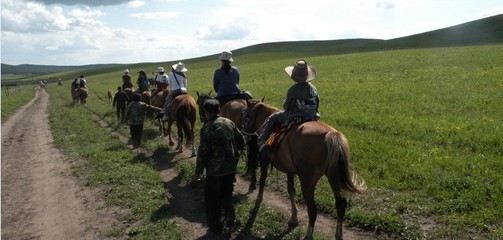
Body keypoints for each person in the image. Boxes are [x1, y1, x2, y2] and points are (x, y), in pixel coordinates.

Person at [193, 99, 245, 235]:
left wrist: (198, 172)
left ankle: (215, 225)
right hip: (230, 168)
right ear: (219, 109)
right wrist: (236, 151)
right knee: (227, 194)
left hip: (214, 171)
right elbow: (241, 141)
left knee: (212, 198)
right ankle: (230, 219)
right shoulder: (229, 122)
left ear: (206, 112)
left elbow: (203, 152)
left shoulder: (207, 127)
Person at [257, 59, 320, 154]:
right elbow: (317, 102)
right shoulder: (313, 88)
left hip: (295, 116)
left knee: (273, 118)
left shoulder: (293, 90)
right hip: (312, 116)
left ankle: (263, 141)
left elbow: (286, 107)